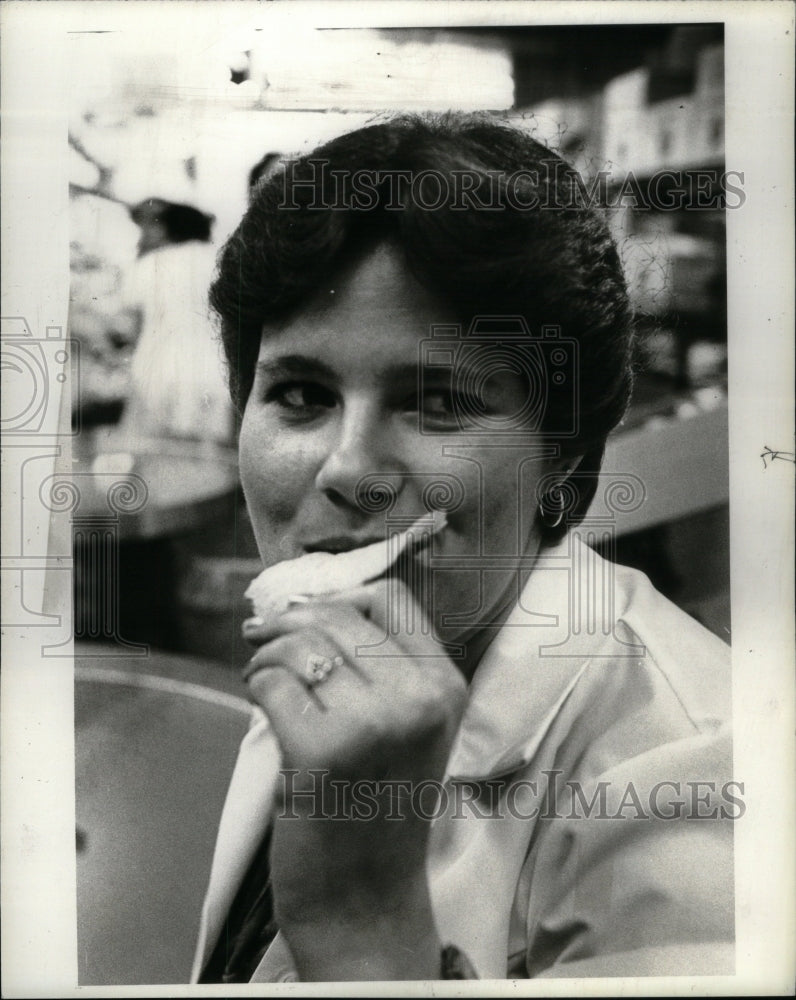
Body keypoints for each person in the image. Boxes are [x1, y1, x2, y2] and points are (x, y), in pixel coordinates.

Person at [192, 114, 734, 983]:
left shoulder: (693, 780)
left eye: (437, 403)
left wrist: (366, 932)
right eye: (300, 394)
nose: (349, 470)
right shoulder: (343, 639)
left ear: (562, 453)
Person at [117, 197, 233, 445]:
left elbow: (131, 329)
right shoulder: (223, 262)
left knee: (156, 459)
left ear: (166, 229)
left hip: (156, 375)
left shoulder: (150, 264)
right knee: (206, 462)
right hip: (214, 377)